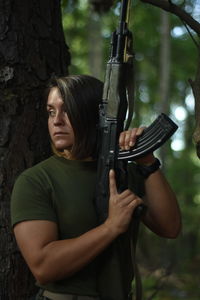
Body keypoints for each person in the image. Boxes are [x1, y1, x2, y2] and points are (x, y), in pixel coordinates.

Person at [11, 74, 181, 300]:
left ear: (96, 115)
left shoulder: (122, 173)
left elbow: (169, 228)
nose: (56, 120)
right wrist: (110, 227)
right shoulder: (36, 180)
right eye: (51, 111)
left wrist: (146, 160)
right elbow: (43, 267)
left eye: (67, 110)